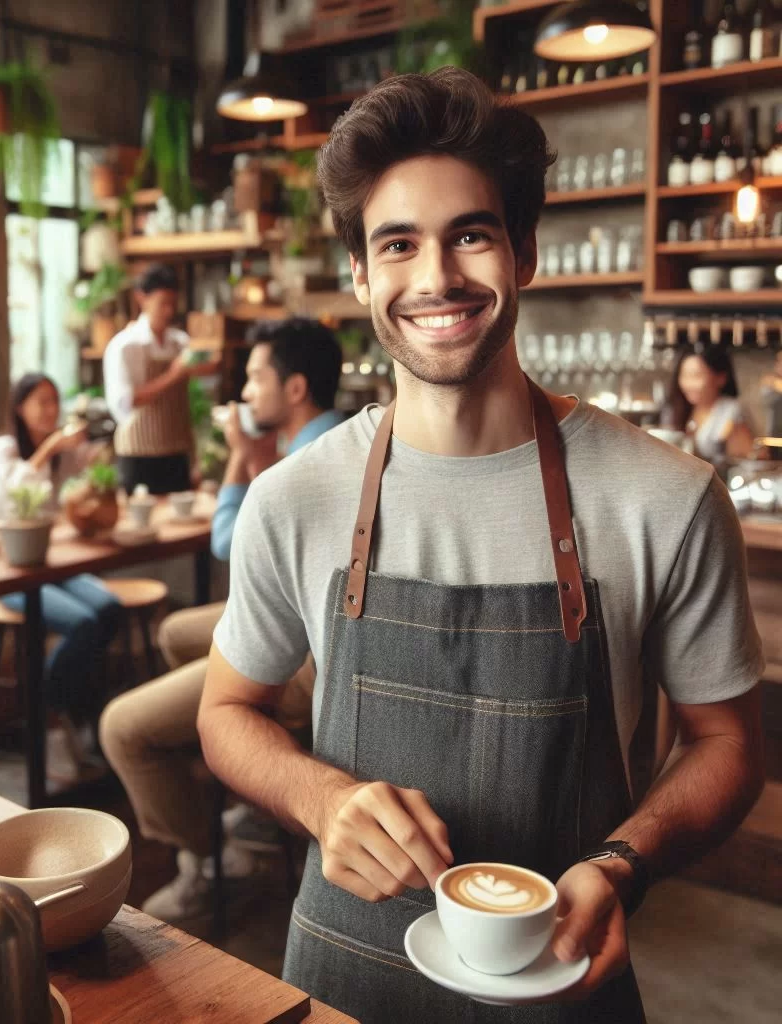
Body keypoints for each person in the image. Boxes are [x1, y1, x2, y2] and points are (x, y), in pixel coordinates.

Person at [196, 69, 765, 1023]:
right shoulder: (293, 499)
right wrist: (320, 799)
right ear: (361, 276)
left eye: (470, 233)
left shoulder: (667, 496)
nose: (437, 279)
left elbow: (729, 742)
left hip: (566, 978)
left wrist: (623, 865)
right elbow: (226, 712)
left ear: (526, 251)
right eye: (398, 245)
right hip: (340, 982)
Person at [100, 318, 345, 921]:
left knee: (122, 728)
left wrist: (240, 456)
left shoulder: (309, 461)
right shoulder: (329, 438)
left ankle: (209, 859)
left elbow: (228, 546)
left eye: (256, 376)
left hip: (313, 656)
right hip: (305, 620)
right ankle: (238, 786)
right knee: (174, 630)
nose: (245, 389)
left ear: (294, 389)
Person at [0, 373, 121, 724]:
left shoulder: (62, 453)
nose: (51, 410)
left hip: (51, 559)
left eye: (54, 401)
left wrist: (94, 459)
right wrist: (52, 448)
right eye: (41, 401)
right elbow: (12, 497)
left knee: (109, 608)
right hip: (9, 567)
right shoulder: (5, 448)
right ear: (19, 407)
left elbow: (76, 494)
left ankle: (71, 706)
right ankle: (48, 706)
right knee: (83, 623)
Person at [102, 264, 214, 495]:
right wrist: (175, 374)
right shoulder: (125, 346)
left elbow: (208, 378)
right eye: (163, 303)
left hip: (177, 450)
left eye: (173, 303)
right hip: (138, 455)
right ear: (142, 298)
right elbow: (126, 401)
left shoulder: (180, 342)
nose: (169, 311)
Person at [664, 344, 754, 464]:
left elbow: (742, 461)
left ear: (721, 378)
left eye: (696, 376)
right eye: (684, 375)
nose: (689, 384)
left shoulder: (731, 411)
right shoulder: (678, 408)